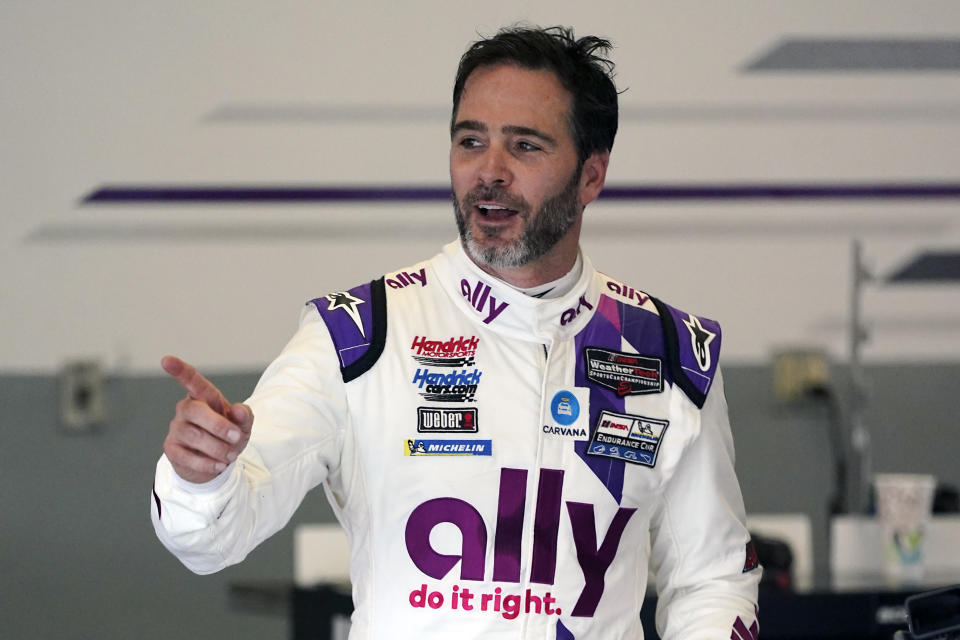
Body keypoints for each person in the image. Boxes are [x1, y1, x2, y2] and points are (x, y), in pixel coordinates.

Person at [152, 25, 761, 639]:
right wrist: (201, 477)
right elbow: (209, 539)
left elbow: (712, 580)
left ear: (591, 176)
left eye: (525, 146)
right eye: (471, 141)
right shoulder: (360, 335)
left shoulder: (669, 354)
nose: (489, 172)